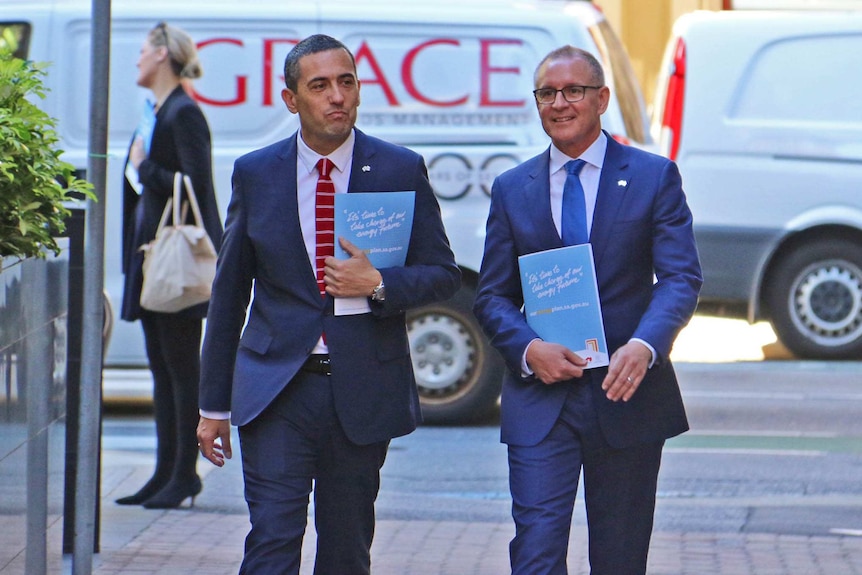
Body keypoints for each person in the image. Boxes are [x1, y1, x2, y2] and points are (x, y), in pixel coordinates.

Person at [196, 34, 460, 574]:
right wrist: (212, 406)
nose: (337, 96)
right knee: (272, 537)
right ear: (292, 99)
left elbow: (442, 276)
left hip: (361, 389)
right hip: (275, 388)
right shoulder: (256, 172)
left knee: (345, 548)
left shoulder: (398, 169)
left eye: (347, 82)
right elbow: (228, 295)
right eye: (320, 86)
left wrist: (379, 282)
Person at [473, 46, 703, 575]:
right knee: (535, 552)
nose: (559, 103)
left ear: (601, 99)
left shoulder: (652, 176)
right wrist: (528, 349)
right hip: (541, 397)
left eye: (573, 91)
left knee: (620, 558)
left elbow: (680, 277)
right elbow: (491, 295)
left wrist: (645, 347)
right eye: (547, 93)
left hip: (625, 394)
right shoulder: (514, 188)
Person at [116, 22, 223, 509]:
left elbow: (196, 186)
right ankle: (165, 472)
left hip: (176, 262)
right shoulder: (156, 111)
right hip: (152, 256)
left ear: (162, 55)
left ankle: (184, 474)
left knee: (181, 369)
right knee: (162, 369)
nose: (136, 60)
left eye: (142, 51)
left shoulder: (182, 112)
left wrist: (144, 167)